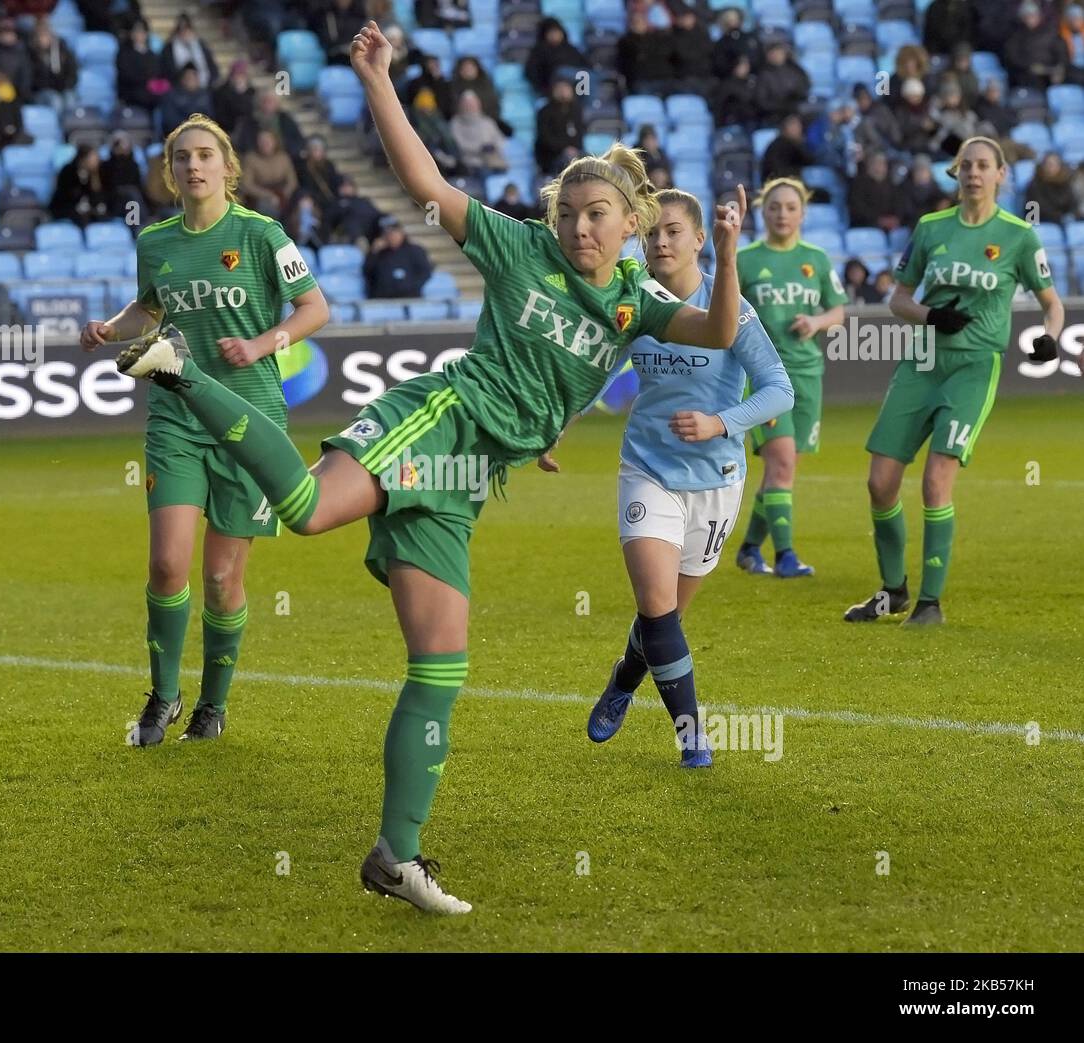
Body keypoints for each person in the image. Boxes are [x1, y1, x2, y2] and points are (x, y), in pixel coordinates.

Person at [109, 21, 744, 914]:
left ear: (632, 223)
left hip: (468, 481)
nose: (576, 225)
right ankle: (179, 368)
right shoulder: (521, 247)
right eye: (568, 211)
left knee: (441, 664)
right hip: (438, 422)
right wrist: (376, 77)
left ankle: (394, 856)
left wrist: (730, 254)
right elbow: (423, 181)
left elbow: (719, 332)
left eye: (595, 213)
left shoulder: (639, 302)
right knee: (303, 506)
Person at [78, 112, 328, 746]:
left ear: (227, 168)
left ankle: (213, 707)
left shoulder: (262, 234)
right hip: (176, 417)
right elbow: (148, 309)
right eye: (182, 157)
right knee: (167, 565)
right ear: (171, 170)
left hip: (251, 422)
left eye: (205, 156)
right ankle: (162, 696)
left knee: (222, 580)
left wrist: (266, 341)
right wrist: (112, 327)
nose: (194, 165)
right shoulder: (155, 242)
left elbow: (315, 309)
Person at [569, 189, 792, 765]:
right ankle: (692, 734)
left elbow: (778, 391)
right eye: (651, 234)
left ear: (699, 239)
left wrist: (721, 421)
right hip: (647, 468)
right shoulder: (633, 299)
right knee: (657, 604)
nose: (660, 242)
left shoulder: (730, 306)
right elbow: (594, 369)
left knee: (663, 615)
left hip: (716, 478)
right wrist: (554, 424)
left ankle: (624, 677)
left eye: (672, 232)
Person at [845, 136, 1062, 626]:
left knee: (936, 481)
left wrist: (1050, 338)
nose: (974, 173)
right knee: (879, 483)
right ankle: (893, 591)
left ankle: (929, 604)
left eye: (984, 166)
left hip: (973, 366)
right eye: (966, 165)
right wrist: (929, 316)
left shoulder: (1019, 236)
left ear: (1001, 175)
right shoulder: (930, 228)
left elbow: (1053, 304)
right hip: (921, 361)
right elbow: (899, 298)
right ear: (955, 174)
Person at [733, 178, 847, 578]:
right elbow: (725, 310)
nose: (783, 214)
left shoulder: (815, 259)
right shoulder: (744, 260)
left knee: (783, 470)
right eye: (774, 207)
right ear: (763, 212)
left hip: (808, 374)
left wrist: (816, 321)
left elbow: (838, 311)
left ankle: (749, 549)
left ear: (803, 213)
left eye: (790, 207)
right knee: (781, 464)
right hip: (764, 376)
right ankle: (785, 557)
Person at [364, 214, 433, 297]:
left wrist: (410, 287)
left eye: (395, 233)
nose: (392, 237)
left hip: (410, 297)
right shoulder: (378, 253)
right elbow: (367, 272)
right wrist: (373, 253)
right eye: (388, 234)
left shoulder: (414, 250)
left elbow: (425, 272)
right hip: (383, 299)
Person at [241, 127, 298, 218]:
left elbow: (292, 181)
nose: (265, 143)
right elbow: (247, 184)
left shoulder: (283, 157)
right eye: (262, 140)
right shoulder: (250, 159)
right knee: (268, 208)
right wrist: (269, 196)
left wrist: (283, 195)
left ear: (275, 141)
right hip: (260, 196)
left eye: (268, 140)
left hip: (283, 193)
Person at [449, 90, 507, 176]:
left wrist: (493, 147)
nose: (471, 106)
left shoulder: (487, 121)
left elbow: (500, 140)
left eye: (473, 103)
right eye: (467, 104)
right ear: (461, 105)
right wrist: (480, 148)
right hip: (470, 163)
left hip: (490, 162)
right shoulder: (455, 123)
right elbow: (458, 144)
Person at [50, 144, 111, 225]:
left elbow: (97, 194)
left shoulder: (97, 172)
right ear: (83, 159)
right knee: (82, 217)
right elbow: (66, 194)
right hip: (65, 207)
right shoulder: (68, 171)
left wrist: (94, 175)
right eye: (93, 159)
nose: (97, 161)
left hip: (87, 207)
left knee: (103, 215)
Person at [525, 16, 588, 95]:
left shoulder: (571, 49)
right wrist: (545, 89)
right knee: (565, 72)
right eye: (551, 32)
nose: (555, 35)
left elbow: (586, 64)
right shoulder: (539, 51)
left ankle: (586, 103)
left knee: (588, 76)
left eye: (557, 32)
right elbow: (532, 73)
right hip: (552, 88)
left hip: (575, 88)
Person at [534, 76, 584, 175]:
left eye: (566, 88)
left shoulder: (576, 111)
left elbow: (579, 134)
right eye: (559, 88)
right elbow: (545, 138)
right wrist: (564, 149)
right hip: (550, 156)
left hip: (574, 152)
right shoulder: (545, 112)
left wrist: (573, 148)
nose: (563, 92)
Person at [29, 16, 78, 115]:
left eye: (46, 34)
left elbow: (72, 72)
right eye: (41, 35)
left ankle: (72, 126)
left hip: (63, 88)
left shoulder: (62, 50)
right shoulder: (31, 54)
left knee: (70, 99)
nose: (43, 39)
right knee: (55, 101)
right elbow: (32, 79)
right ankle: (59, 129)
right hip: (41, 91)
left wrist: (65, 86)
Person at [116, 18, 167, 111]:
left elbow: (158, 73)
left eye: (142, 31)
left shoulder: (152, 55)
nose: (139, 34)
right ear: (131, 33)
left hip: (151, 94)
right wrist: (147, 81)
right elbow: (126, 75)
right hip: (132, 93)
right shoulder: (124, 53)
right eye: (136, 31)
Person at [848, 150, 903, 231]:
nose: (879, 167)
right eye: (876, 163)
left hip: (890, 226)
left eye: (882, 163)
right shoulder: (858, 184)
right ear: (869, 165)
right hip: (865, 226)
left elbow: (899, 204)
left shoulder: (891, 185)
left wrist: (895, 218)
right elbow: (857, 208)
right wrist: (879, 220)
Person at [162, 12, 218, 88]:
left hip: (203, 87)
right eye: (183, 31)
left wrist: (210, 81)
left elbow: (212, 66)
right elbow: (168, 71)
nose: (185, 33)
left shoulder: (201, 45)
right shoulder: (169, 48)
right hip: (178, 88)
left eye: (188, 30)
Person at [323, 174, 381, 244]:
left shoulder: (363, 201)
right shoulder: (335, 203)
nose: (347, 188)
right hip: (344, 235)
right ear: (338, 188)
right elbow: (328, 220)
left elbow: (376, 214)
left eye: (349, 186)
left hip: (366, 233)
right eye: (344, 186)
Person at [1025, 150, 1080, 223]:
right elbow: (1037, 210)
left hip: (1063, 221)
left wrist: (1071, 215)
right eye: (1049, 164)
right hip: (1042, 223)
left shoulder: (1065, 183)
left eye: (1054, 164)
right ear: (1043, 166)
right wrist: (1059, 217)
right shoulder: (1034, 185)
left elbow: (1073, 203)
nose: (1051, 167)